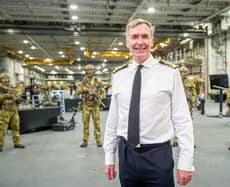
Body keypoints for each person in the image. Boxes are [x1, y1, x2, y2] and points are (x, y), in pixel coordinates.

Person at [103, 18, 194, 186]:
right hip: (126, 155)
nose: (140, 42)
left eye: (145, 36)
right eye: (134, 37)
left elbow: (182, 119)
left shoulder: (169, 73)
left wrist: (186, 161)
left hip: (158, 155)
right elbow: (114, 119)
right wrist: (109, 156)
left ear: (152, 40)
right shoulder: (118, 75)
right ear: (127, 42)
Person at [76, 65, 106, 148]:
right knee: (85, 124)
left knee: (97, 123)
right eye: (87, 70)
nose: (89, 71)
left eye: (91, 69)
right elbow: (77, 92)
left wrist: (98, 97)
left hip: (95, 105)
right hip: (85, 105)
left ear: (94, 71)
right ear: (85, 71)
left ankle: (98, 140)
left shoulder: (98, 81)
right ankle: (85, 140)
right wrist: (84, 89)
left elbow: (103, 93)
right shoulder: (82, 82)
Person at [0, 73, 25, 152]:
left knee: (16, 127)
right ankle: (0, 145)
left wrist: (19, 99)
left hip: (14, 110)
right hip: (4, 110)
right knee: (2, 128)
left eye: (7, 78)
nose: (6, 80)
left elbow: (17, 98)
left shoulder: (12, 88)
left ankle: (17, 142)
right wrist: (7, 95)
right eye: (4, 78)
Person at [172, 66, 197, 147]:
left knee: (188, 123)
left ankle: (189, 141)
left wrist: (193, 101)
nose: (182, 74)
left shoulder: (190, 82)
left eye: (184, 72)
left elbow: (194, 93)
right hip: (176, 105)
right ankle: (175, 140)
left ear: (187, 73)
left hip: (187, 105)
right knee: (175, 122)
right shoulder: (174, 81)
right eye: (181, 72)